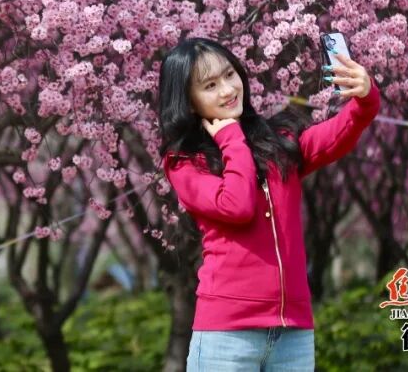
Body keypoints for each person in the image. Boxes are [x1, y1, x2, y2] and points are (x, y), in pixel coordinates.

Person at [158, 36, 381, 371]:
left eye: (229, 74)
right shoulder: (186, 163)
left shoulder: (278, 144)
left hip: (292, 334)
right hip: (227, 336)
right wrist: (231, 139)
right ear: (189, 102)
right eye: (210, 85)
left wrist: (364, 100)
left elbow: (336, 135)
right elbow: (236, 205)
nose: (227, 90)